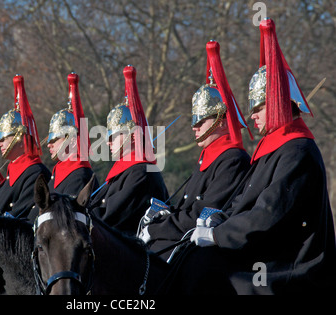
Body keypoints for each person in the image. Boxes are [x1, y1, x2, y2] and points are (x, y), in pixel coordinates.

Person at [187, 18, 336, 294]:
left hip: (291, 269)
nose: (251, 115)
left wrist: (218, 236)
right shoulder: (272, 151)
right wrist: (219, 219)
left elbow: (269, 212)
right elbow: (243, 203)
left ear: (278, 102)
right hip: (266, 255)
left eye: (258, 106)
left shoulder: (298, 152)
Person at [141, 40, 252, 261]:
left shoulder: (232, 159)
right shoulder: (208, 157)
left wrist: (156, 230)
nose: (194, 126)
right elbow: (185, 209)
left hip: (207, 253)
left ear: (220, 120)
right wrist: (162, 216)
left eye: (200, 120)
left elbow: (201, 214)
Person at [89, 65, 169, 236]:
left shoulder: (140, 172)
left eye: (114, 137)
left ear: (132, 137)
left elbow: (110, 217)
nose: (108, 142)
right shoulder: (125, 171)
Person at [0, 74, 51, 222]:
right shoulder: (12, 174)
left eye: (3, 139)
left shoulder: (35, 173)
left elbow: (17, 218)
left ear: (19, 138)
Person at [46, 73, 98, 195]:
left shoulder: (80, 175)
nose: (49, 145)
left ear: (73, 141)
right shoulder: (58, 171)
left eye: (55, 140)